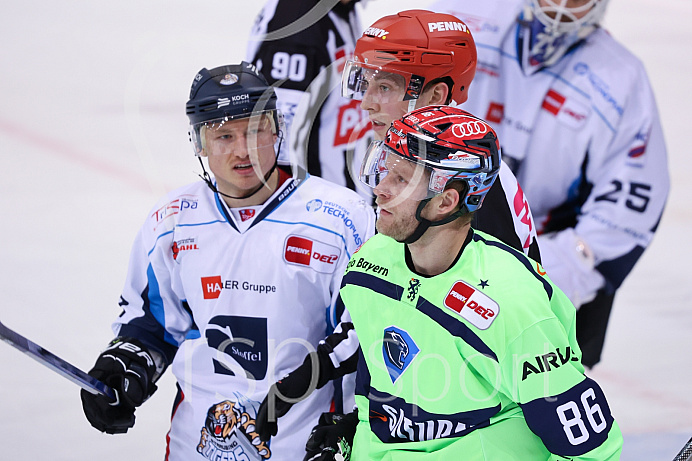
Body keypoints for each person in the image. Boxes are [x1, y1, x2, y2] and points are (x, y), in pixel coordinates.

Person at [257, 105, 624, 460]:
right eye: (385, 169)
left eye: (401, 179)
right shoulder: (370, 263)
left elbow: (592, 450)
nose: (381, 188)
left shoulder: (512, 307)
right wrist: (358, 429)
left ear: (446, 201)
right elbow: (382, 376)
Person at [79, 62, 375, 461]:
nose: (243, 150)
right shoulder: (172, 220)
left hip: (306, 446)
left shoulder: (341, 217)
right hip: (198, 445)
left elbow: (367, 328)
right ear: (198, 144)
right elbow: (153, 323)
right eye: (224, 136)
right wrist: (127, 365)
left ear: (277, 129)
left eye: (255, 131)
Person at [429, 0, 670, 367]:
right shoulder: (462, 20)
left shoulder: (621, 78)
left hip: (549, 254)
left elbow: (633, 197)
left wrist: (566, 267)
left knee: (544, 402)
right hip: (440, 232)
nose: (560, 6)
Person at [339, 9, 540, 260]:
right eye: (366, 84)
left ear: (436, 97)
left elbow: (506, 289)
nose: (366, 103)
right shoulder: (394, 149)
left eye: (384, 87)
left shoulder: (472, 172)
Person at [246, 0, 372, 197]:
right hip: (319, 209)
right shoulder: (299, 24)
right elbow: (279, 143)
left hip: (342, 202)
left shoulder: (338, 9)